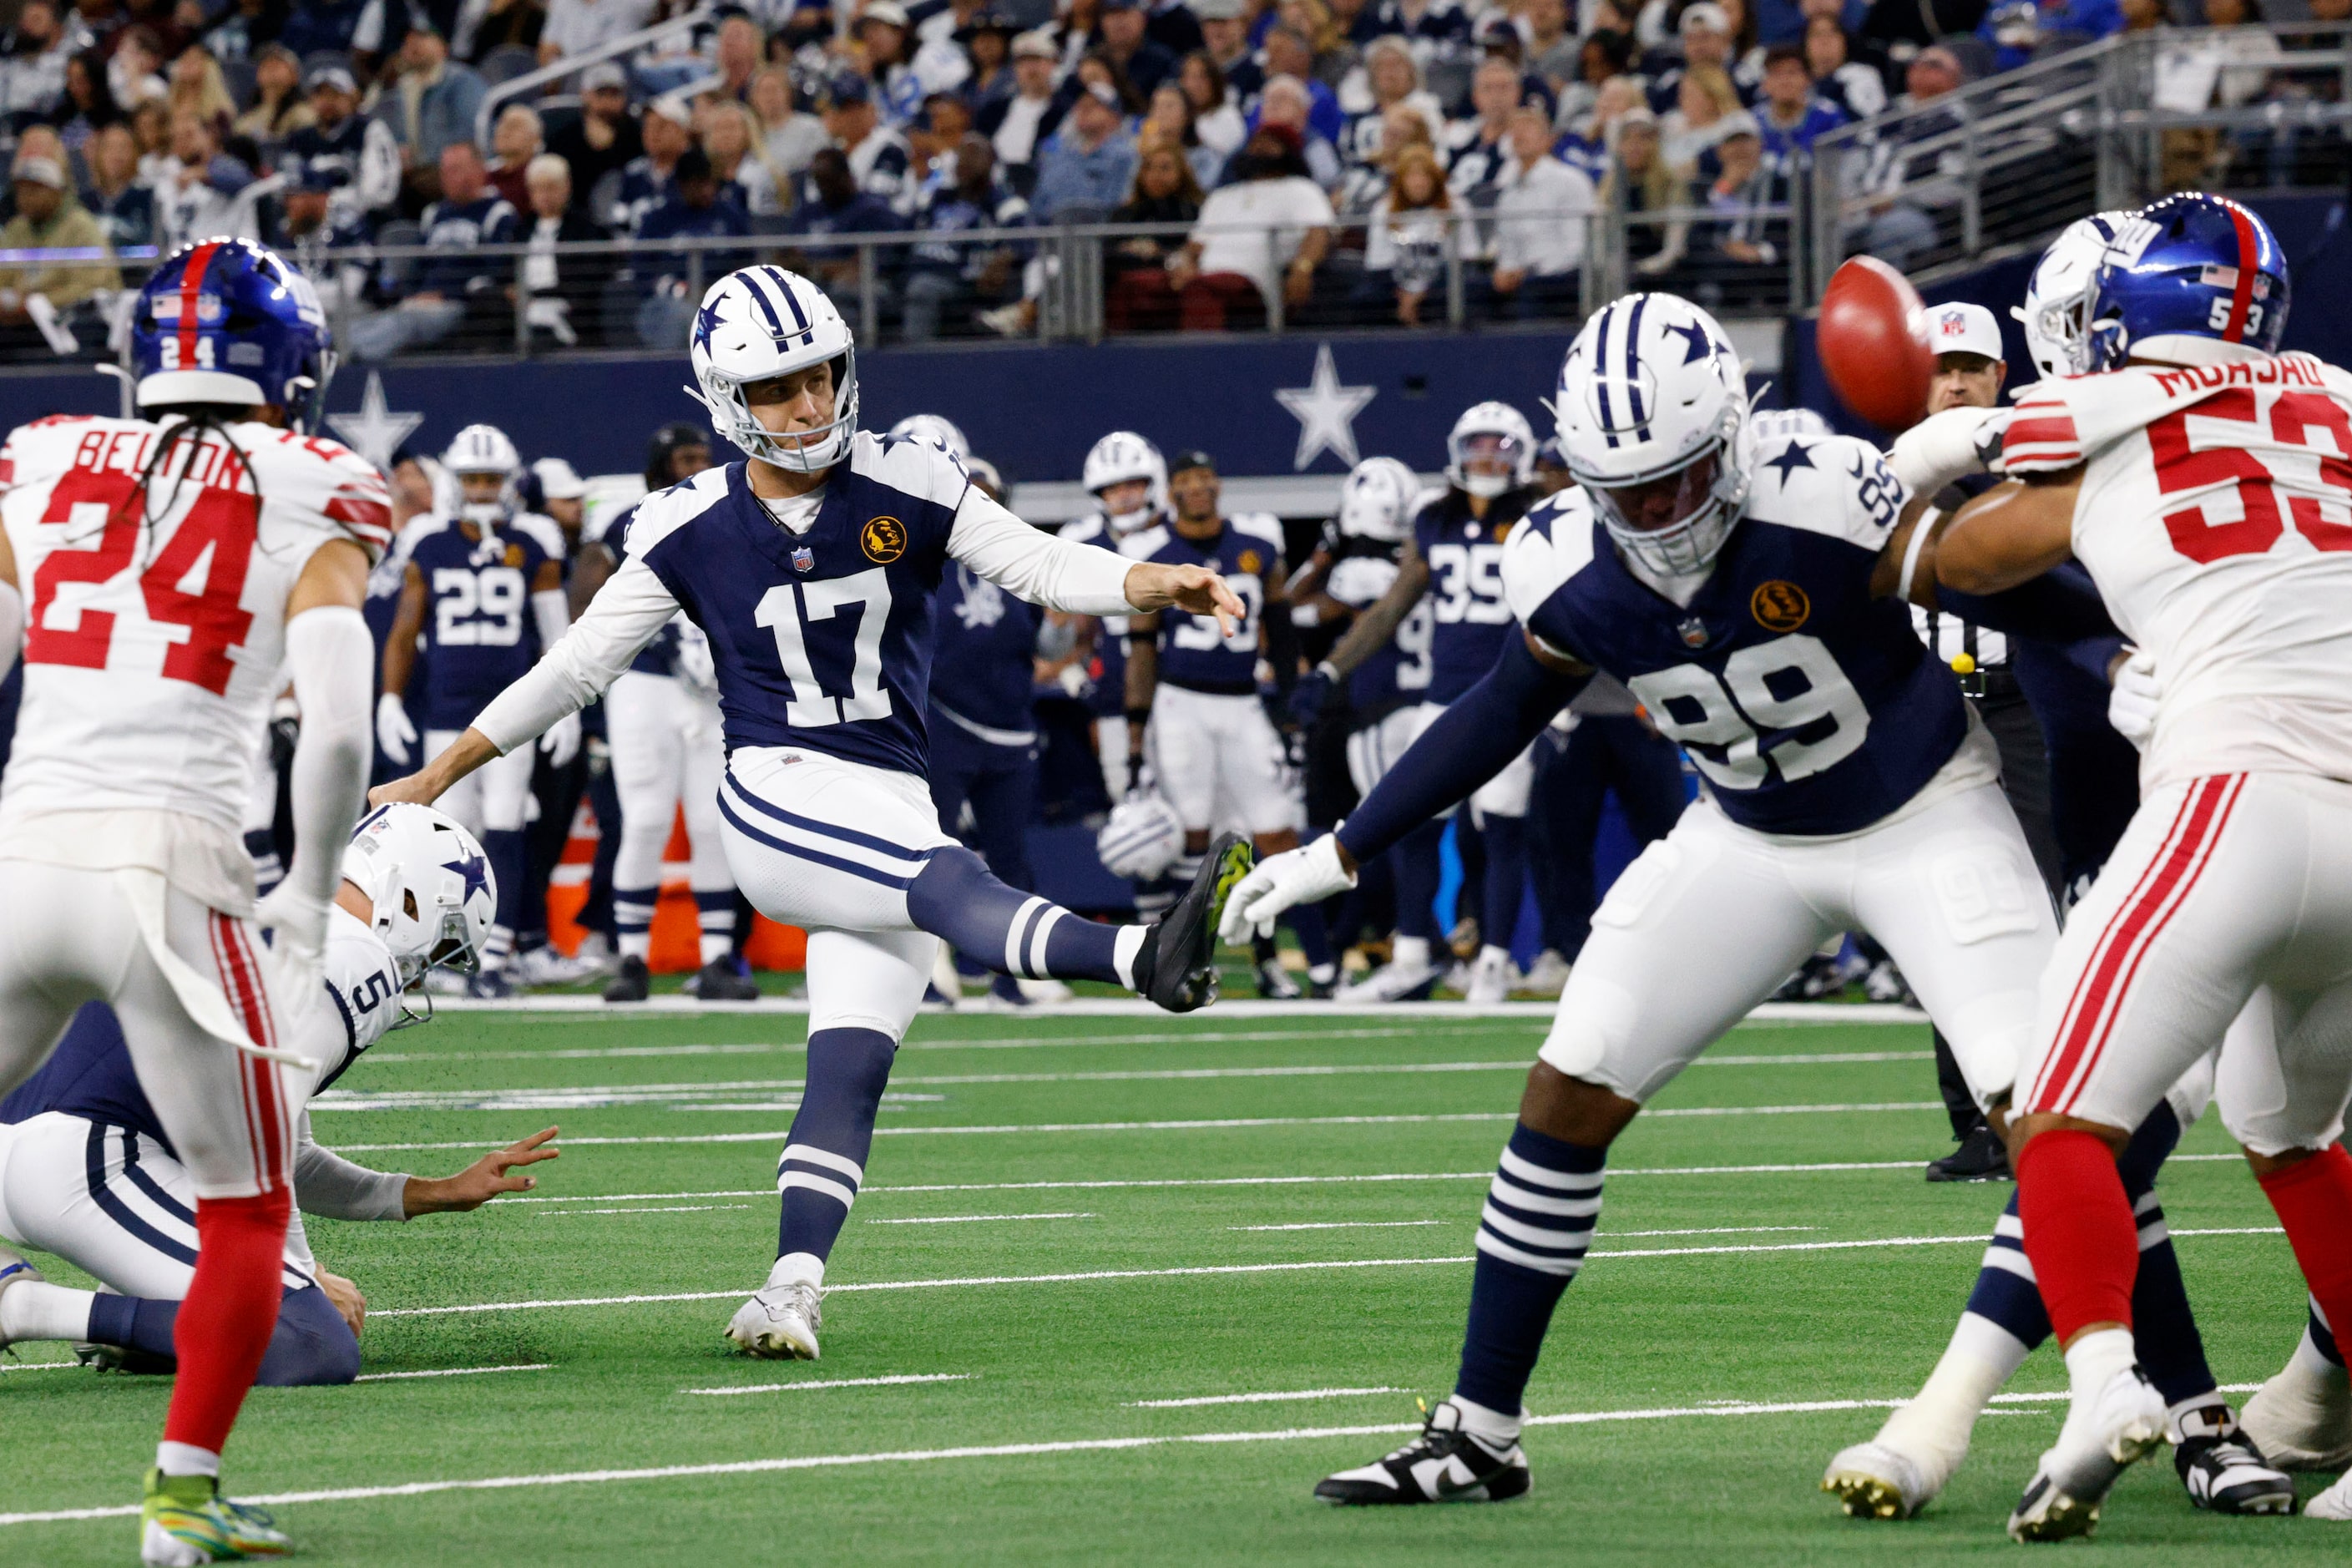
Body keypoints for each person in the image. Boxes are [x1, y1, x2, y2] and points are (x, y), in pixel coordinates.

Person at [1226, 291, 2110, 1505]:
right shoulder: (1562, 551)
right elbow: (1497, 709)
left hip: (1923, 813)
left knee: (2048, 1120)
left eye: (1677, 479)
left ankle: (2158, 1397)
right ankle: (1481, 1430)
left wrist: (2139, 634)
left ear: (1731, 441)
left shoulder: (1828, 489)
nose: (1653, 512)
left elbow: (2031, 599)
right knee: (1568, 1080)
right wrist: (1340, 848)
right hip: (1744, 832)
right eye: (1624, 488)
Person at [371, 264, 1252, 1361]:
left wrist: (1147, 579)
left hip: (884, 792)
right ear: (731, 401)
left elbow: (1036, 564)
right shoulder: (687, 521)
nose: (812, 403)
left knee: (848, 1069)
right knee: (946, 880)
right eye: (783, 387)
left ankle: (788, 1288)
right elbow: (575, 668)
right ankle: (1137, 958)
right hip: (779, 790)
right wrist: (435, 773)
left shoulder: (914, 476)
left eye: (823, 374)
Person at [1930, 192, 2352, 1536]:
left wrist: (1901, 479)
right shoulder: (2339, 391)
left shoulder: (2103, 413)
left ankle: (2111, 1380)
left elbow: (1959, 530)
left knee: (2056, 1116)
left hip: (2237, 795)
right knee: (2287, 1132)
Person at [0, 236, 387, 1565]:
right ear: (291, 365)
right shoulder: (317, 479)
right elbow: (336, 732)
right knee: (242, 1208)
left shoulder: (42, 453)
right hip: (172, 873)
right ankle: (179, 1500)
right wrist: (311, 906)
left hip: (21, 853)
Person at [0, 807, 553, 1385]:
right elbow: (259, 1123)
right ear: (410, 903)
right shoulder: (355, 953)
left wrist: (430, 1193)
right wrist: (301, 1273)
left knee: (267, 1315)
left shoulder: (272, 913)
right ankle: (27, 1308)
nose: (419, 976)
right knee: (310, 1342)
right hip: (82, 1162)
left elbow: (284, 1152)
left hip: (35, 1146)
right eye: (439, 948)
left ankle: (147, 1314)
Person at [1291, 402, 1545, 1003]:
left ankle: (1493, 962)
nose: (1485, 457)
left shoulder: (1539, 516)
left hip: (1513, 696)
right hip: (1443, 697)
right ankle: (1410, 954)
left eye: (1497, 447)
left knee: (1502, 831)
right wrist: (1330, 669)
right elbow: (1388, 610)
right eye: (1476, 445)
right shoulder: (1434, 518)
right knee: (1414, 824)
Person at [374, 425, 579, 995]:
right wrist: (391, 697)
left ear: (510, 481)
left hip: (513, 710)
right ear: (455, 482)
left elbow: (556, 636)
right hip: (446, 709)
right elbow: (404, 627)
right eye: (473, 479)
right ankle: (447, 951)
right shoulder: (428, 539)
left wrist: (564, 709)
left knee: (509, 823)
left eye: (491, 479)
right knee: (447, 834)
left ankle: (498, 954)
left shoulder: (535, 537)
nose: (483, 489)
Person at [1122, 449, 1333, 999]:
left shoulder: (1259, 544)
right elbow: (1141, 651)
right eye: (1186, 479)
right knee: (1192, 835)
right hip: (1179, 703)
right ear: (1171, 491)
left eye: (1205, 476)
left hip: (1242, 703)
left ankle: (1308, 962)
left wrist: (1287, 708)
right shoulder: (1151, 550)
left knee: (1276, 833)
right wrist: (1136, 734)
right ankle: (1180, 960)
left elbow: (1283, 630)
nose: (1198, 486)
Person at [589, 428, 751, 1005]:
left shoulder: (736, 513)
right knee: (647, 819)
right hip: (646, 681)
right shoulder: (630, 521)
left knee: (713, 824)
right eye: (685, 460)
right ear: (658, 469)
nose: (698, 468)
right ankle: (631, 957)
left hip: (710, 687)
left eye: (704, 459)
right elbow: (596, 595)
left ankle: (716, 960)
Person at [1061, 431, 1172, 808]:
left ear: (1152, 482)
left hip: (1181, 695)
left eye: (1132, 484)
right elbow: (1067, 630)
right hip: (1115, 700)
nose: (1123, 496)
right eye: (1112, 488)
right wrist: (1072, 673)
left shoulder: (1179, 536)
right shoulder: (1081, 542)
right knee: (1133, 819)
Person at [1166, 120, 1333, 330]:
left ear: (1287, 152)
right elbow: (1195, 246)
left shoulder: (1302, 190)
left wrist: (1303, 268)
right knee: (1137, 285)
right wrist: (1181, 262)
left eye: (1270, 143)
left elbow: (1318, 233)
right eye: (1255, 143)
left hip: (1254, 287)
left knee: (1201, 289)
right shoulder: (1222, 196)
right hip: (1204, 278)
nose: (1259, 148)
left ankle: (1198, 359)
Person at [281, 63, 400, 234]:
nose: (327, 102)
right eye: (320, 95)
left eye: (335, 95)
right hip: (308, 221)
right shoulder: (299, 139)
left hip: (360, 219)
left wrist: (331, 202)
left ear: (352, 98)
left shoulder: (370, 130)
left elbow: (381, 191)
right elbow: (289, 184)